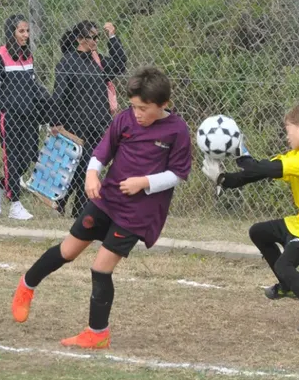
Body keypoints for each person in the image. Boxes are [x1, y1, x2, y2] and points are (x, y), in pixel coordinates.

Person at [12, 67, 191, 349]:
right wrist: (92, 174)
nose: (137, 114)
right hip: (107, 201)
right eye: (134, 107)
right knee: (67, 251)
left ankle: (97, 333)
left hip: (137, 214)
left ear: (164, 105)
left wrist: (144, 182)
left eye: (144, 109)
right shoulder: (125, 120)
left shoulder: (177, 130)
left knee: (101, 268)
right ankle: (27, 285)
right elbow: (101, 152)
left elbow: (178, 173)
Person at [201, 101, 299, 333]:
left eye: (288, 130)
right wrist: (224, 180)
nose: (287, 136)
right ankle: (286, 286)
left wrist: (241, 151)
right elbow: (258, 171)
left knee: (285, 265)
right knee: (259, 232)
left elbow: (264, 168)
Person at [51, 20, 127, 218]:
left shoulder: (97, 60)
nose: (95, 41)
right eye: (91, 37)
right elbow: (59, 95)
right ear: (79, 39)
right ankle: (65, 201)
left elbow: (120, 64)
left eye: (96, 37)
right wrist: (55, 122)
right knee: (82, 166)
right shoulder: (67, 62)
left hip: (99, 122)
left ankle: (74, 206)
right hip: (77, 124)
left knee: (92, 166)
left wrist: (112, 37)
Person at [0, 15, 51, 221]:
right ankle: (15, 204)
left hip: (29, 116)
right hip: (10, 117)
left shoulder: (27, 56)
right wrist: (6, 107)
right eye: (22, 31)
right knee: (12, 159)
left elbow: (32, 84)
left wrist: (46, 101)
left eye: (27, 31)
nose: (26, 35)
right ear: (11, 32)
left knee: (28, 156)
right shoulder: (0, 56)